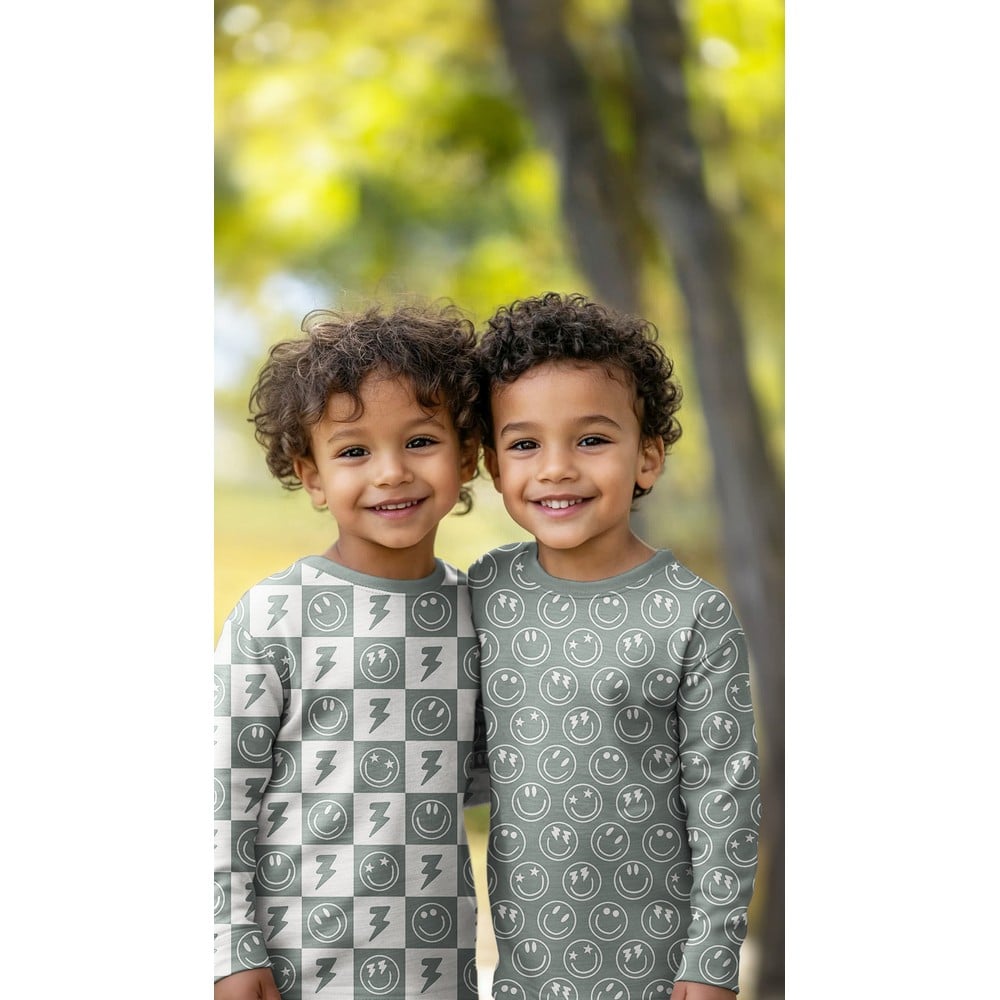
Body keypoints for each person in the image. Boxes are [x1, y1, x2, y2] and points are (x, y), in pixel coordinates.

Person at [469, 292, 760, 999]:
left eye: (592, 440)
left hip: (658, 970)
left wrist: (711, 960)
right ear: (494, 466)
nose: (556, 468)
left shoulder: (694, 614)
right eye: (525, 444)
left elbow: (725, 798)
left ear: (647, 458)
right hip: (525, 974)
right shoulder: (484, 592)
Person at [214, 303, 489, 1000]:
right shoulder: (276, 615)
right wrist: (229, 948)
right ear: (311, 475)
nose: (390, 472)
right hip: (294, 970)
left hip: (435, 972)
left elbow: (492, 778)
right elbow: (220, 794)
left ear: (467, 456)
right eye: (354, 451)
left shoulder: (479, 615)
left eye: (420, 441)